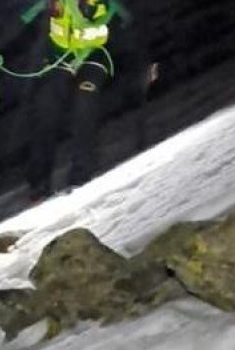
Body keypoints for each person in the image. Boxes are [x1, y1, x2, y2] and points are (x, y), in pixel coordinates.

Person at [17, 0, 154, 200]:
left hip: (94, 59)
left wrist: (144, 64)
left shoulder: (108, 5)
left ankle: (80, 177)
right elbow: (19, 25)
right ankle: (38, 184)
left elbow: (132, 29)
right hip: (60, 60)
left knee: (85, 105)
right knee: (46, 110)